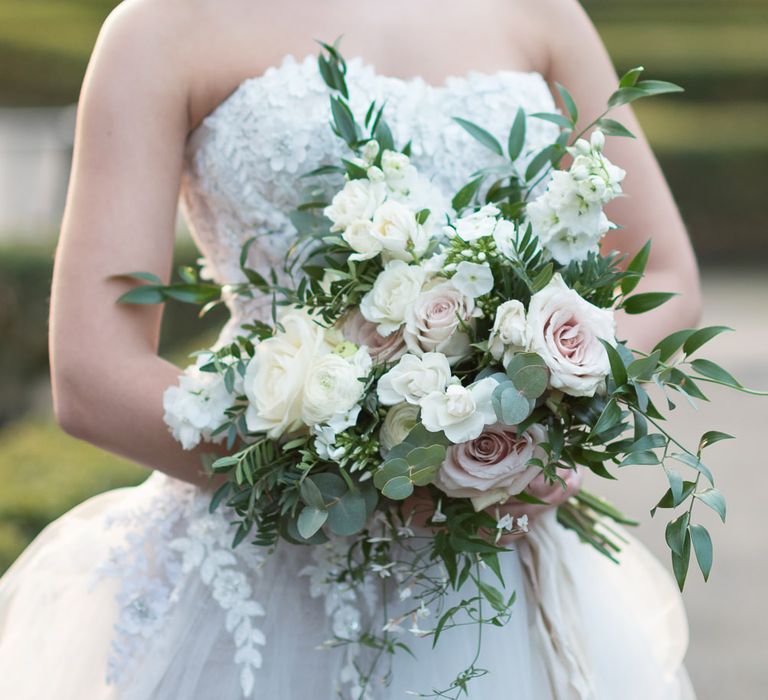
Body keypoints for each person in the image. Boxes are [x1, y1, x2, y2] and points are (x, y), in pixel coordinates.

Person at [0, 0, 701, 697]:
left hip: (494, 565)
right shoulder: (158, 26)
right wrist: (374, 482)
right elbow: (93, 373)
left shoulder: (541, 13)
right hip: (259, 573)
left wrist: (541, 418)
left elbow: (664, 275)